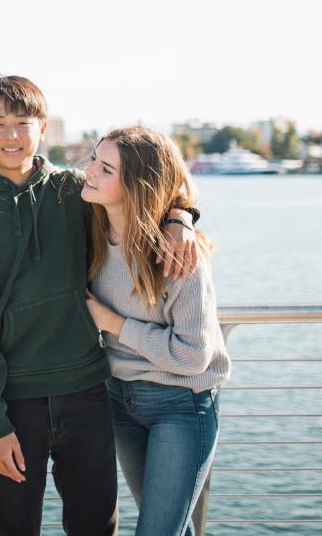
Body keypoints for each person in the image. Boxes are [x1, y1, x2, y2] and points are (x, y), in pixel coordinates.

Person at [0, 75, 199, 536]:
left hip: (88, 391)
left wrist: (181, 218)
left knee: (96, 525)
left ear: (44, 129)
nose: (12, 135)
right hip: (13, 402)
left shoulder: (75, 191)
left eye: (23, 122)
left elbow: (148, 189)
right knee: (16, 527)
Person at [83, 126, 231, 536]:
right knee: (168, 527)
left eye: (105, 168)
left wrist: (113, 324)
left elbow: (192, 355)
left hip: (181, 406)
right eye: (94, 158)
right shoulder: (91, 225)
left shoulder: (178, 254)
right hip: (120, 401)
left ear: (136, 186)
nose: (89, 171)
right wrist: (182, 212)